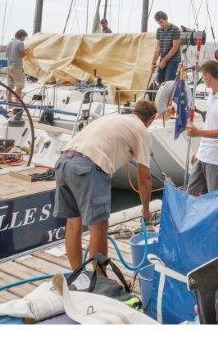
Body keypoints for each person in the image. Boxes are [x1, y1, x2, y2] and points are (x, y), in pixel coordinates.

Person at [55, 100, 157, 275]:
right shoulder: (141, 130)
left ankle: (77, 275)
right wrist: (146, 211)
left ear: (134, 111)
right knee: (99, 227)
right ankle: (100, 280)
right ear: (151, 119)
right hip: (89, 166)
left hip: (63, 162)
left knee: (73, 222)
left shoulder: (115, 118)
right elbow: (144, 179)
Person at [186, 60, 218, 195]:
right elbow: (210, 124)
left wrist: (198, 133)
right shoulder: (211, 96)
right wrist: (198, 150)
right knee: (191, 194)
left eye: (203, 77)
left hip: (217, 158)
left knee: (215, 199)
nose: (204, 80)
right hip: (204, 154)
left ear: (208, 76)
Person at [151, 11, 181, 85]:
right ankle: (161, 96)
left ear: (166, 19)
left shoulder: (175, 30)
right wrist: (153, 63)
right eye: (158, 23)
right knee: (159, 81)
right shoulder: (159, 30)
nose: (160, 24)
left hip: (173, 60)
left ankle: (168, 96)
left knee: (168, 83)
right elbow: (158, 48)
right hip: (163, 59)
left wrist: (164, 61)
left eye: (161, 22)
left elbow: (175, 48)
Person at [7, 29, 28, 103]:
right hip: (17, 66)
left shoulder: (10, 43)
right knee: (19, 85)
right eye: (24, 37)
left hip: (9, 66)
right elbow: (22, 54)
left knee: (10, 85)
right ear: (22, 36)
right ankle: (17, 103)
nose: (24, 39)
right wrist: (27, 52)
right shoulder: (20, 43)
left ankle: (8, 102)